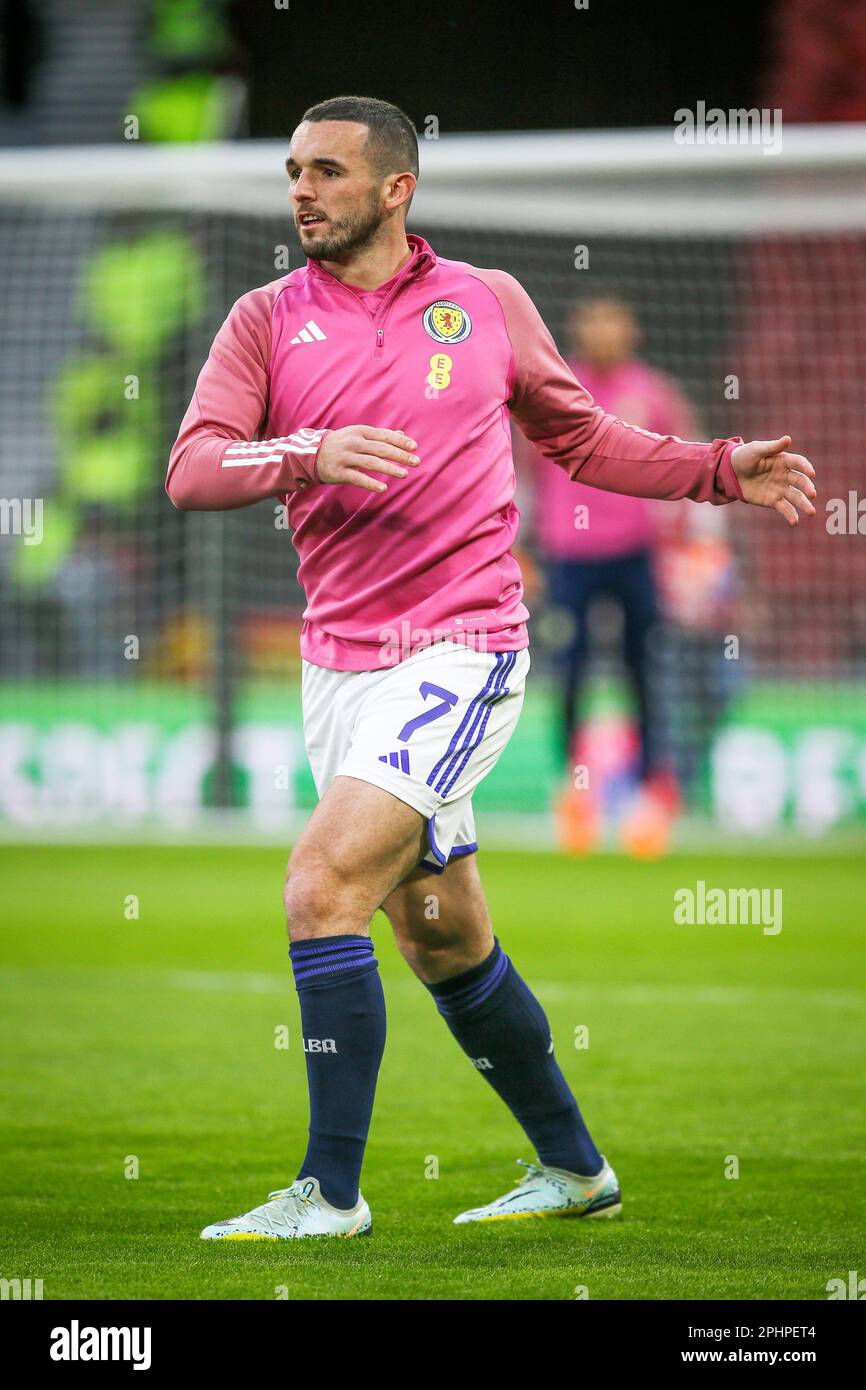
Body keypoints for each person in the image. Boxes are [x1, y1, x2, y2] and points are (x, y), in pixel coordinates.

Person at [166, 95, 816, 1240]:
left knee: (320, 888)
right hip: (341, 665)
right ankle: (573, 1167)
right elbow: (194, 468)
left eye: (325, 171)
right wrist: (306, 452)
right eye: (291, 172)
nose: (301, 192)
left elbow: (582, 437)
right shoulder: (265, 319)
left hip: (463, 645)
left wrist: (718, 467)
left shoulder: (485, 302)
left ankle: (329, 1192)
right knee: (440, 934)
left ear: (395, 189)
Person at [517, 295, 706, 854]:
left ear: (631, 329)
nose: (603, 330)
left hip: (635, 552)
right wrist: (518, 543)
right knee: (569, 670)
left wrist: (691, 546)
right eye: (593, 319)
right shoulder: (555, 387)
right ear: (579, 328)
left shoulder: (654, 392)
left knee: (643, 668)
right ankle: (575, 792)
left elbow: (688, 466)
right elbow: (525, 473)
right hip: (568, 555)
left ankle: (652, 793)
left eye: (613, 319)